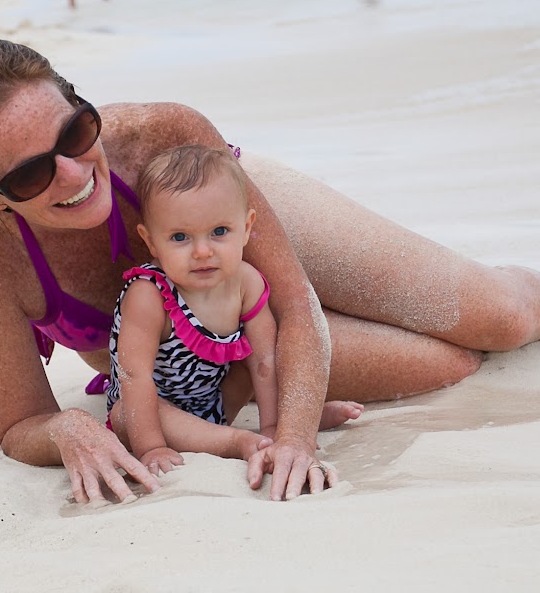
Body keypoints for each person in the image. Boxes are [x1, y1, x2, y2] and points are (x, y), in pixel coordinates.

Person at [0, 39, 540, 504]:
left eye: (77, 131)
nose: (74, 172)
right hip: (191, 345)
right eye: (30, 174)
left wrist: (297, 436)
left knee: (496, 320)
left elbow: (293, 299)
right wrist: (69, 430)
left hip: (223, 219)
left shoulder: (158, 136)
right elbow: (19, 423)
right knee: (450, 363)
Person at [107, 145, 363, 474]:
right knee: (122, 415)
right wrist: (151, 447)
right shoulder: (148, 295)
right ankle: (235, 442)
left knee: (256, 362)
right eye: (180, 237)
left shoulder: (247, 284)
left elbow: (265, 361)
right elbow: (134, 375)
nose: (202, 251)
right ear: (151, 241)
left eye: (219, 232)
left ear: (246, 227)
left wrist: (277, 429)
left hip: (216, 406)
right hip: (151, 413)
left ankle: (287, 423)